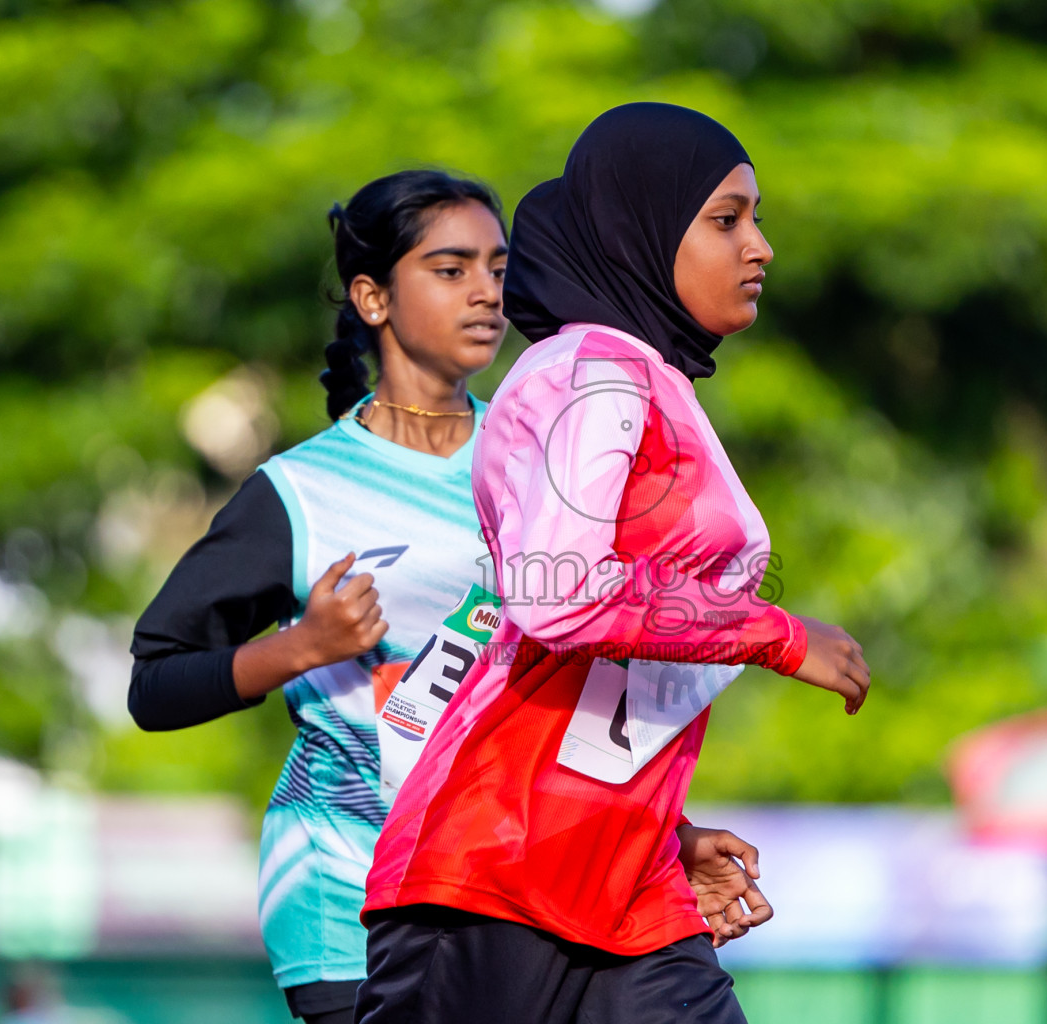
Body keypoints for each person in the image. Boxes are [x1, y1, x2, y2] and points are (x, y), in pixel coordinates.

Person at [128, 168, 772, 1024]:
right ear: (372, 297)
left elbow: (579, 686)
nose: (485, 294)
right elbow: (155, 684)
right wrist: (302, 647)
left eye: (498, 269)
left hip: (528, 886)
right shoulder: (303, 492)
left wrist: (671, 832)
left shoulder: (556, 444)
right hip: (350, 892)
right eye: (450, 269)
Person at [355, 105, 871, 1024]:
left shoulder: (645, 381)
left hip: (625, 887)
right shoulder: (590, 371)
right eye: (725, 219)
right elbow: (560, 599)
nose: (759, 247)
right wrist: (779, 635)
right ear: (643, 233)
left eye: (756, 219)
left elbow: (597, 674)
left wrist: (666, 834)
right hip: (492, 876)